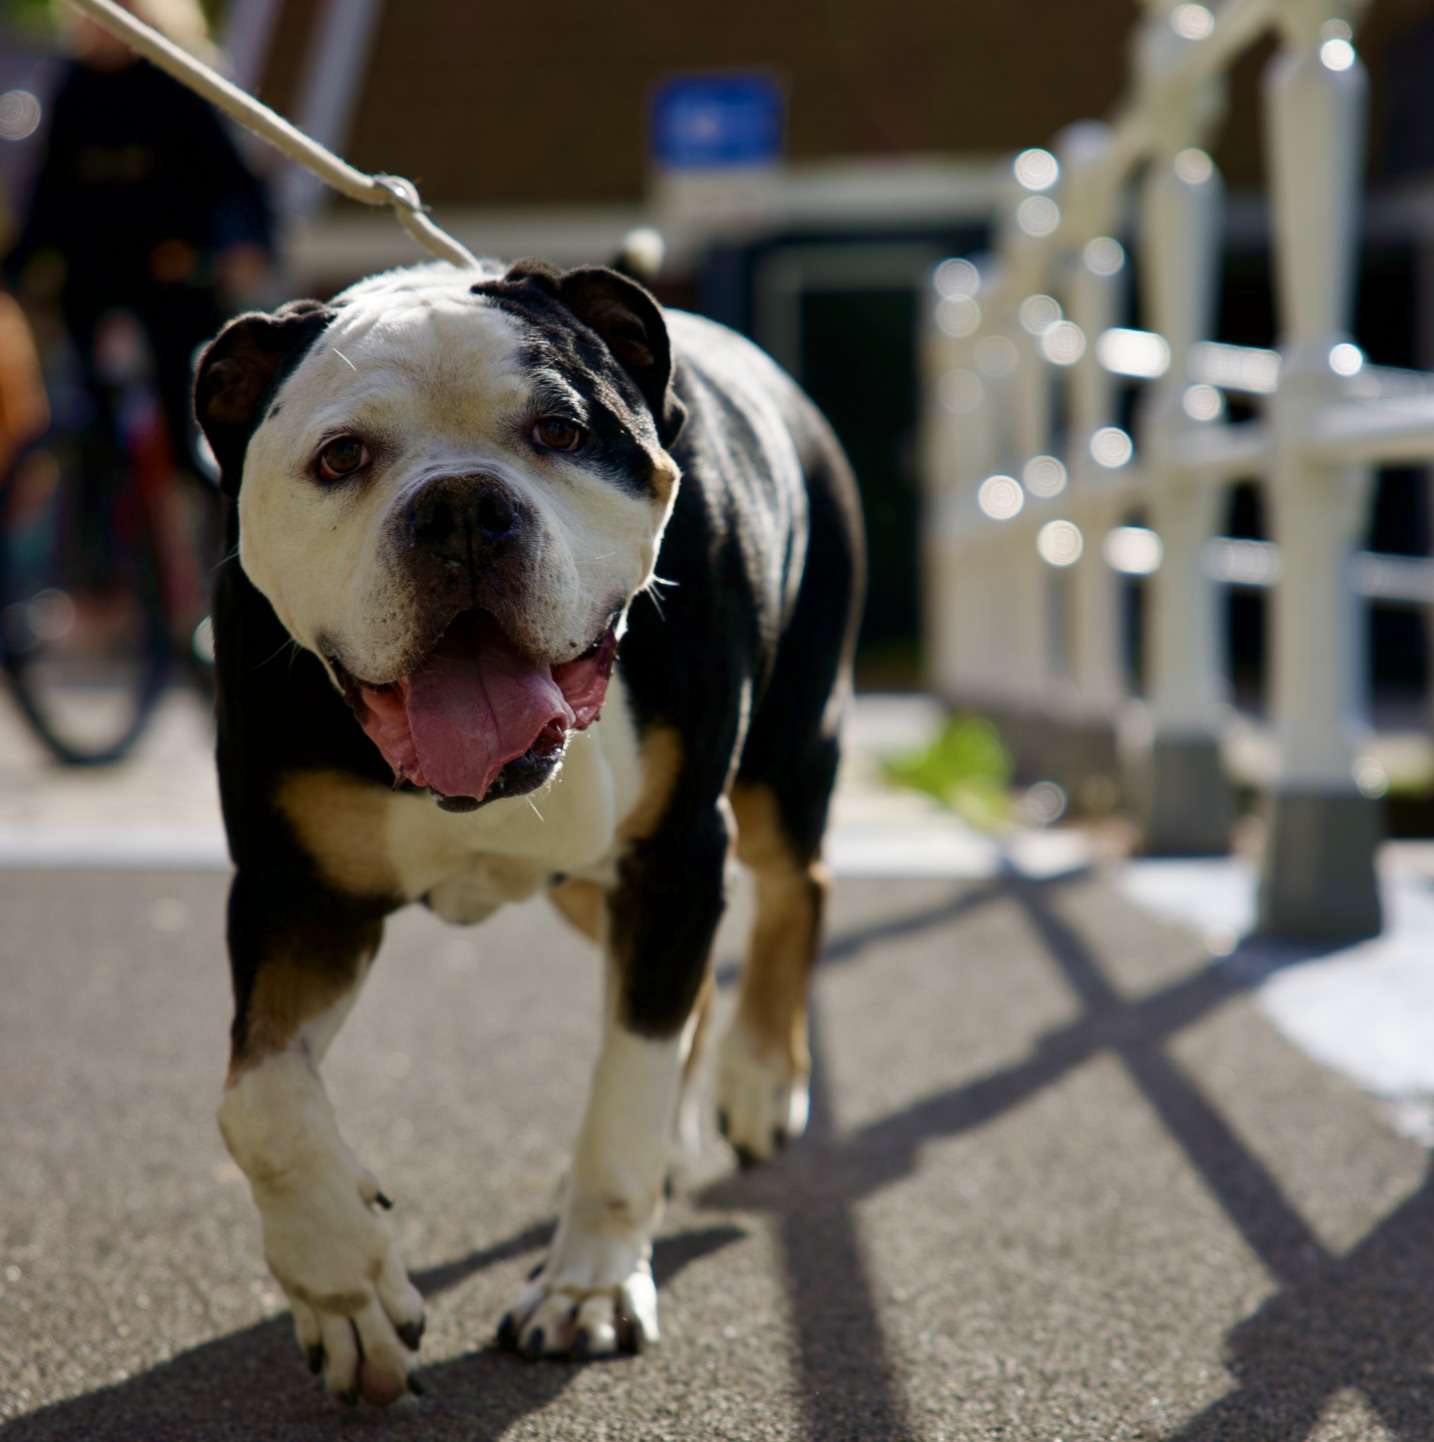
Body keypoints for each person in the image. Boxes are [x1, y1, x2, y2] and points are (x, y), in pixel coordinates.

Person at [3, 0, 275, 478]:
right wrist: (15, 271)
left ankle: (200, 506)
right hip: (96, 286)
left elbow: (234, 182)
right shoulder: (74, 91)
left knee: (189, 413)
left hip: (173, 282)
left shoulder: (179, 86)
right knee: (90, 420)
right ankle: (101, 525)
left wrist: (245, 245)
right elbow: (47, 199)